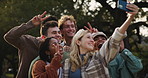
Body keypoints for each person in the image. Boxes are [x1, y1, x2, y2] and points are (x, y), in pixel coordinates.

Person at [62, 3, 139, 78]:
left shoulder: (99, 57)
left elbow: (115, 38)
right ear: (78, 42)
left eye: (92, 38)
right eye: (88, 37)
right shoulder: (67, 63)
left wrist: (130, 18)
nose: (92, 41)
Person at [3, 11, 62, 78]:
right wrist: (30, 24)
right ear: (43, 37)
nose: (58, 35)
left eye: (59, 32)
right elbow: (9, 37)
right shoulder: (28, 42)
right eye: (54, 33)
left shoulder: (62, 51)